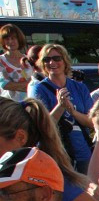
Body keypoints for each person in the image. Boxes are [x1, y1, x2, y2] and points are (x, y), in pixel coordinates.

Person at [28, 44, 93, 175]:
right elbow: (42, 125)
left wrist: (73, 112)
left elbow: (92, 121)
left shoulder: (79, 88)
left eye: (57, 58)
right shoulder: (39, 89)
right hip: (56, 153)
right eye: (47, 59)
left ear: (65, 61)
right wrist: (60, 106)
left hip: (83, 151)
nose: (52, 62)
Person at [0, 24, 31, 102]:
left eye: (13, 38)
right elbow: (5, 85)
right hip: (9, 107)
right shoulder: (1, 61)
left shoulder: (29, 60)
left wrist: (15, 85)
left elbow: (39, 82)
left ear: (19, 39)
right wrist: (30, 84)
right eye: (7, 39)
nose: (10, 41)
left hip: (30, 104)